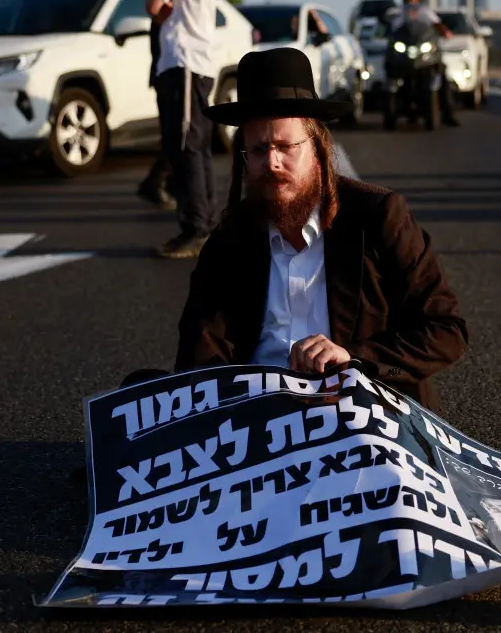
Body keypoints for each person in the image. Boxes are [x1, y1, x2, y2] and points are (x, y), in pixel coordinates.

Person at [172, 46, 468, 409]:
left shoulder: (377, 217)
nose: (273, 162)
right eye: (259, 150)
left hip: (360, 412)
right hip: (261, 419)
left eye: (285, 146)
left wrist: (353, 359)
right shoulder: (230, 238)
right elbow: (199, 347)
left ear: (317, 147)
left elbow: (445, 330)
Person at [145, 0, 220, 259]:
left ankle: (196, 228)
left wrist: (158, 9)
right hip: (197, 62)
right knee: (198, 148)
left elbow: (155, 4)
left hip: (184, 61)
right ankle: (203, 223)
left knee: (186, 147)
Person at [136, 0, 177, 211]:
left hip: (168, 76)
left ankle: (169, 184)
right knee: (177, 136)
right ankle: (155, 182)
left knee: (177, 135)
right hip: (168, 77)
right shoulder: (165, 5)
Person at [389, 0, 460, 127]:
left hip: (425, 56)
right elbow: (393, 31)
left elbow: (438, 25)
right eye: (409, 0)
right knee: (390, 76)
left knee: (442, 75)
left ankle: (448, 113)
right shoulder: (400, 15)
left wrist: (445, 33)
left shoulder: (426, 13)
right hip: (405, 57)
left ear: (420, 0)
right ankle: (391, 110)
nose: (412, 3)